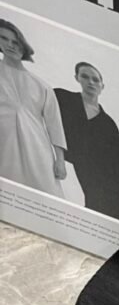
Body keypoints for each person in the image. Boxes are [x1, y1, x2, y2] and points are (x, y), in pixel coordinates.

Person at [55, 62, 119, 221]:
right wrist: (60, 157)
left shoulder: (109, 123)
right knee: (91, 214)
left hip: (111, 180)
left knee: (113, 218)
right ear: (77, 78)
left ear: (102, 86)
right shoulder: (62, 98)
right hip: (85, 171)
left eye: (95, 79)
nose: (91, 82)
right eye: (85, 76)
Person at [0, 18, 67, 197]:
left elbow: (54, 125)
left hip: (37, 149)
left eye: (15, 41)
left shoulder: (41, 86)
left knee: (46, 196)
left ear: (23, 46)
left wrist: (60, 160)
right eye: (4, 38)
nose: (10, 45)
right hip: (5, 149)